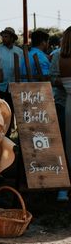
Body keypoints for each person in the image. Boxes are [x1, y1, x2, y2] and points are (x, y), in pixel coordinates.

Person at [51, 26, 71, 201]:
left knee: (66, 145)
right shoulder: (58, 55)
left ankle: (63, 188)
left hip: (67, 102)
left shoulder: (59, 56)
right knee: (65, 143)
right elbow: (53, 78)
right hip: (63, 102)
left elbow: (55, 79)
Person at [0, 27, 21, 98]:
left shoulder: (19, 51)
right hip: (0, 86)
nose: (3, 38)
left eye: (6, 36)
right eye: (2, 36)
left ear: (12, 38)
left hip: (15, 85)